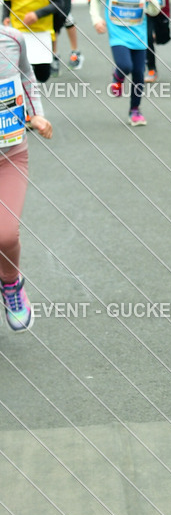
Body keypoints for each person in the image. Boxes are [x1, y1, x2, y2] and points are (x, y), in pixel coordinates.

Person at [0, 25, 52, 332]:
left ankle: (10, 281)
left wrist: (36, 114)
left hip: (10, 154)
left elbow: (26, 77)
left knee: (5, 235)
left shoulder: (12, 39)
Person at [91, 0, 161, 127]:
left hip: (139, 34)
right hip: (118, 34)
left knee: (139, 73)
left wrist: (151, 0)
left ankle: (135, 110)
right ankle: (118, 76)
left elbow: (155, 10)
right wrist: (97, 19)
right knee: (126, 65)